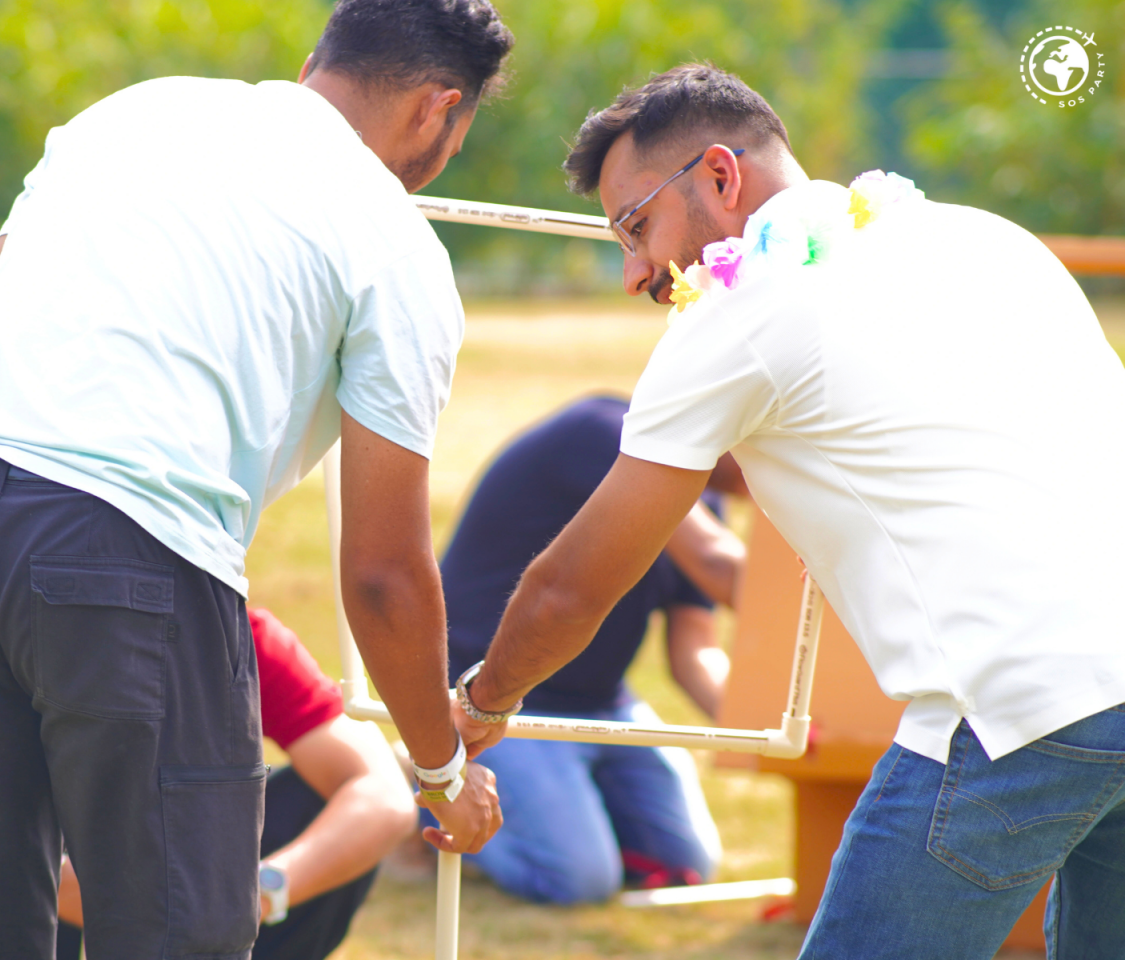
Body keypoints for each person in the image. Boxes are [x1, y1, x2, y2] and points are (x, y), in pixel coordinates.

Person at [453, 64, 1125, 960]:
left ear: (721, 177)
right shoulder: (985, 236)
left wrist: (484, 698)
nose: (634, 272)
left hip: (1012, 708)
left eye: (636, 226)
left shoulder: (738, 310)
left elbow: (574, 584)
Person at [0, 2, 512, 957]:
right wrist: (439, 769)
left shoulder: (129, 113)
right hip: (132, 545)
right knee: (182, 929)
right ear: (439, 110)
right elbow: (384, 572)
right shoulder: (397, 247)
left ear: (315, 64)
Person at [0, 606, 416, 960]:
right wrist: (64, 889)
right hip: (39, 893)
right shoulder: (11, 626)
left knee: (327, 804)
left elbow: (383, 796)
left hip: (190, 897)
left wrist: (260, 890)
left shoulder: (234, 634)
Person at [436, 394, 745, 904]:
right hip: (492, 698)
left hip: (605, 701)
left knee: (686, 864)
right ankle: (423, 779)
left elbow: (695, 652)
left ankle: (564, 808)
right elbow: (719, 566)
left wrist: (764, 728)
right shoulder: (606, 434)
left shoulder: (707, 501)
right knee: (576, 882)